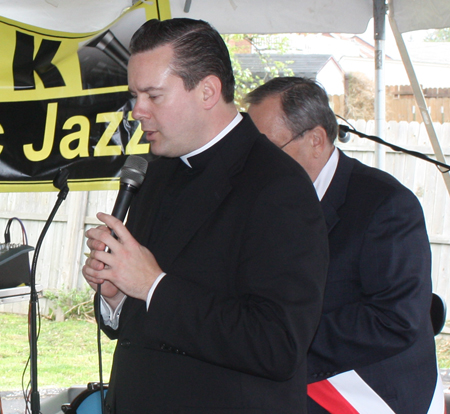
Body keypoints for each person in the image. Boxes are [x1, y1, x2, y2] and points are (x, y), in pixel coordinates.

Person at [82, 20, 329, 414]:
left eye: (153, 96)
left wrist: (151, 285)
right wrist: (116, 295)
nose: (136, 111)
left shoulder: (278, 186)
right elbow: (143, 323)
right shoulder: (156, 169)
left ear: (208, 91)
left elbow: (277, 345)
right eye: (134, 95)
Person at [246, 76, 444, 414]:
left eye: (266, 150)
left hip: (368, 394)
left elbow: (394, 318)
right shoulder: (262, 200)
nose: (254, 163)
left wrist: (278, 343)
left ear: (316, 140)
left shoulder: (386, 205)